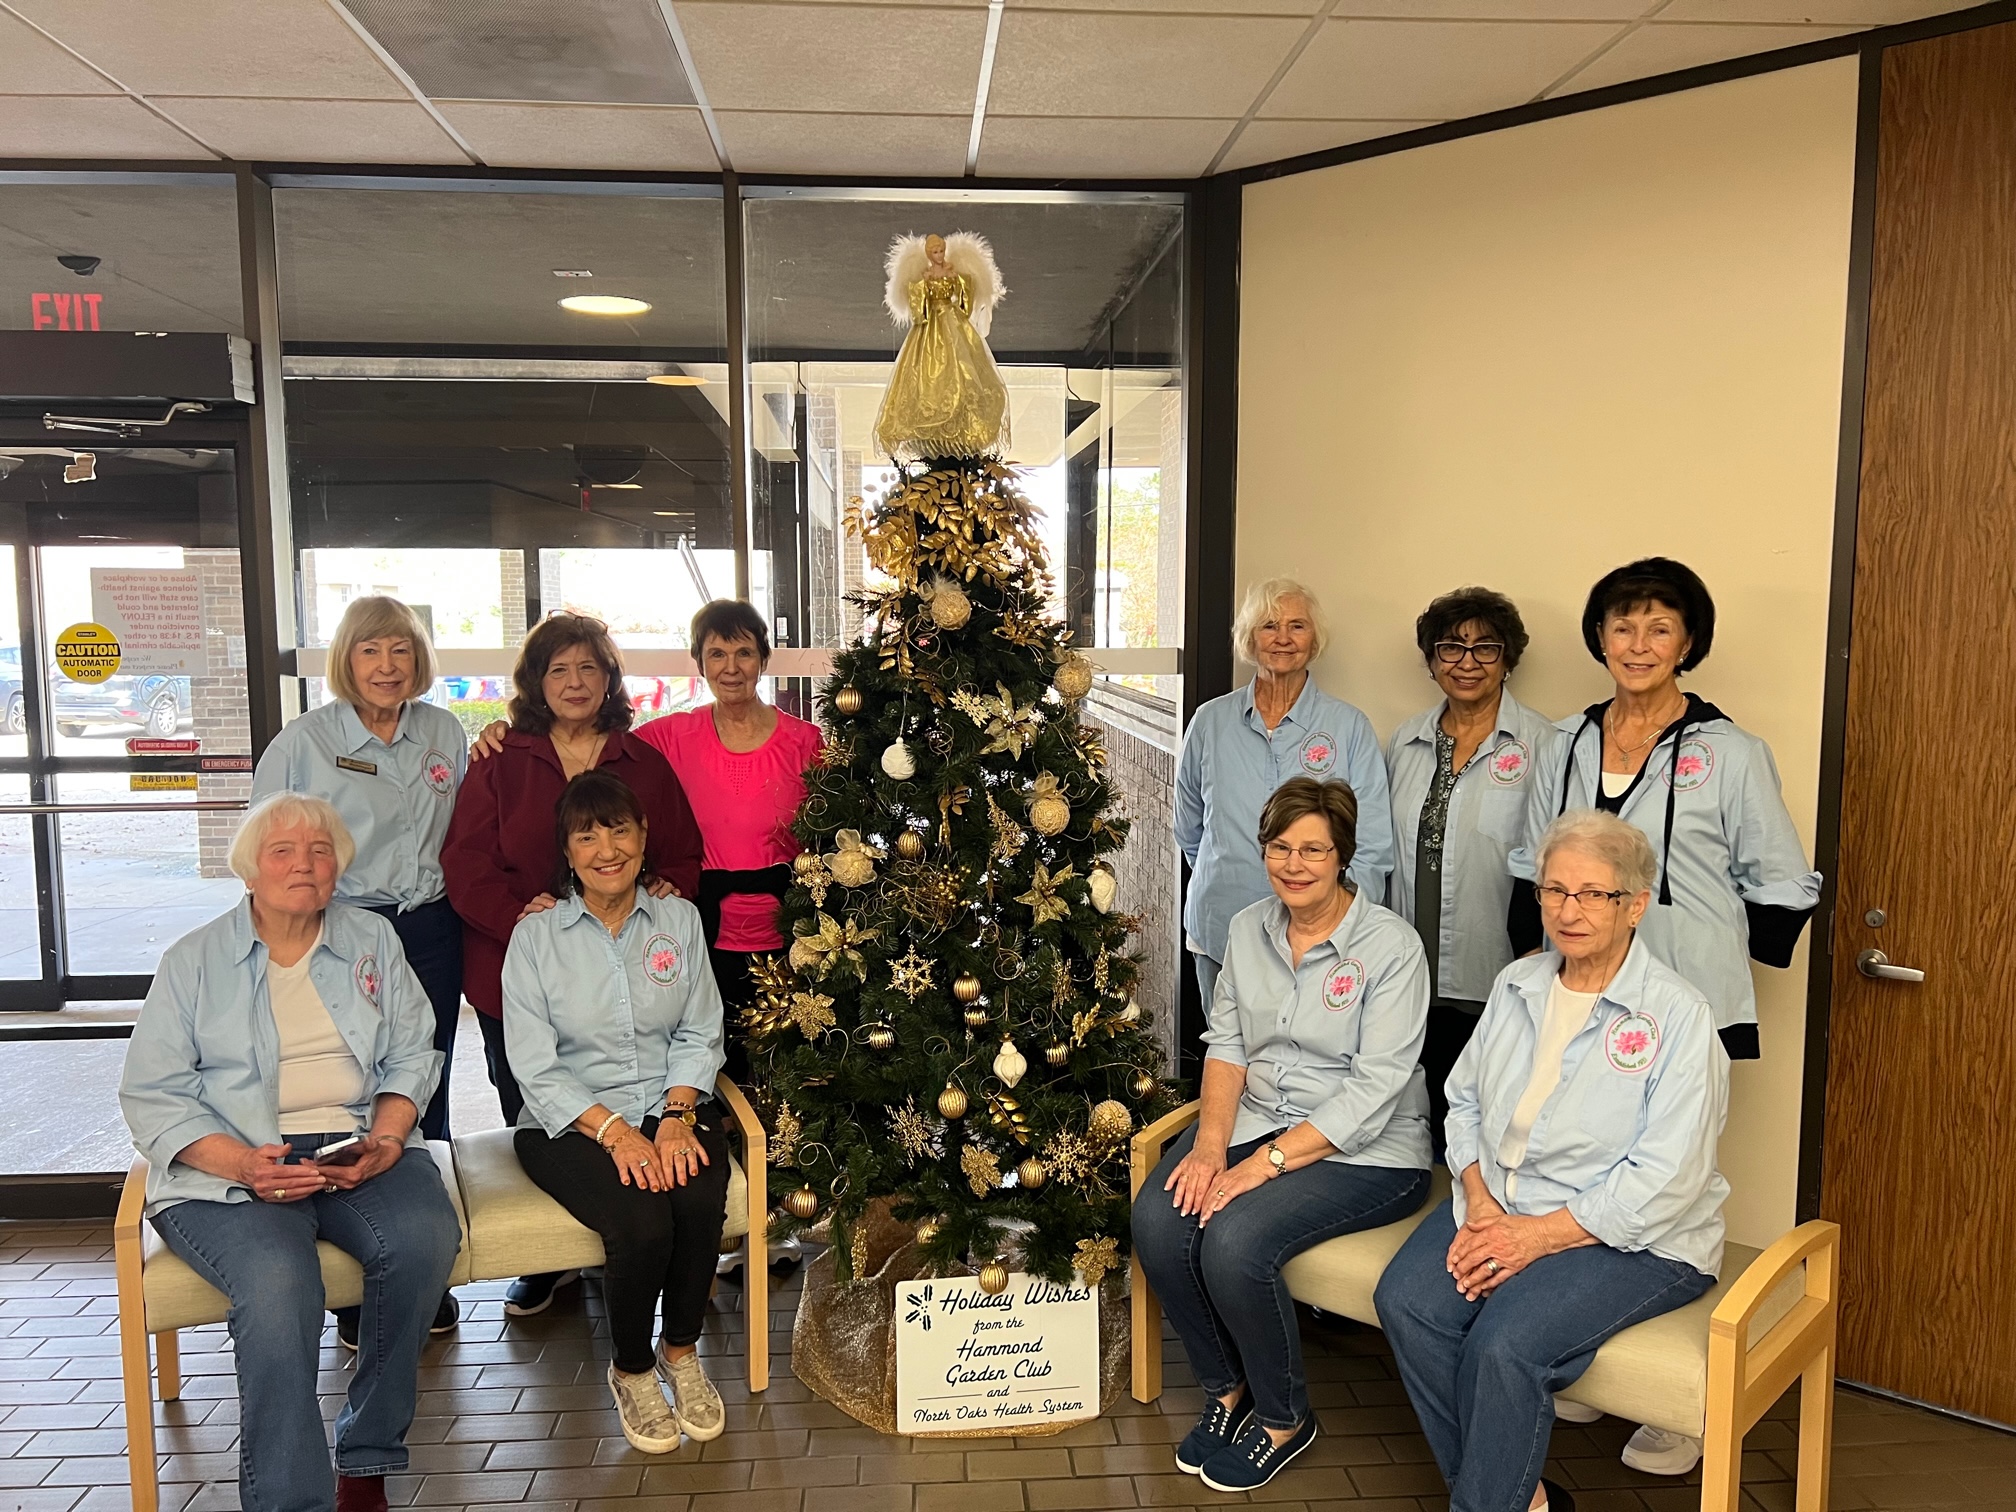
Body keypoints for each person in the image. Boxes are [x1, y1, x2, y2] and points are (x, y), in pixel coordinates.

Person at [1507, 558, 1817, 1473]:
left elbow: (1778, 874)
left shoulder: (1733, 751)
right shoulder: (1566, 741)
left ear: (1688, 642)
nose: (1638, 644)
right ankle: (1586, 1360)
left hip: (1687, 998)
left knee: (1672, 1183)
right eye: (1622, 625)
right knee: (1575, 1165)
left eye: (1659, 627)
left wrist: (1723, 956)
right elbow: (1532, 864)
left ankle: (1677, 1406)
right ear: (1600, 638)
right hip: (1580, 992)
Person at [1378, 810, 1730, 1512]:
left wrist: (1534, 1237)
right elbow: (1463, 1103)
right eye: (1554, 890)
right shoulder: (1519, 984)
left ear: (1635, 905)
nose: (1569, 911)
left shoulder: (1679, 1017)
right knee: (1408, 1303)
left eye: (1593, 894)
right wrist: (1481, 1203)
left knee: (1505, 1345)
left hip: (1637, 1239)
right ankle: (1522, 1499)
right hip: (1500, 1205)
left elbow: (1667, 1177)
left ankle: (1487, 1502)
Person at [119, 794, 461, 1512]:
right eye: (283, 852)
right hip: (230, 1165)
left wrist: (389, 1138)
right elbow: (153, 1093)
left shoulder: (372, 939)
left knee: (423, 1236)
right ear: (250, 869)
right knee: (279, 1282)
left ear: (339, 868)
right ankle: (290, 1500)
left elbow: (413, 1053)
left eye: (320, 851)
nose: (304, 864)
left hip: (355, 1145)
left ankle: (366, 1459)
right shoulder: (193, 961)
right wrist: (242, 1164)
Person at [1134, 776, 1431, 1494]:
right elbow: (1228, 1046)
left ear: (1342, 856)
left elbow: (1374, 1090)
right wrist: (1210, 1147)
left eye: (1313, 850)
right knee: (1158, 1218)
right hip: (1260, 1119)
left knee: (1235, 1238)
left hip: (1372, 1151)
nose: (1295, 865)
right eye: (1280, 847)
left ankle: (1283, 1418)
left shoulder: (1392, 947)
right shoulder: (1247, 930)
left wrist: (1261, 1164)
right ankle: (1227, 1388)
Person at [443, 612, 702, 1317]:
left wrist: (669, 887)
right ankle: (552, 1258)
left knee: (630, 1103)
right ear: (536, 681)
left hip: (626, 970)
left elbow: (681, 852)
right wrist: (519, 920)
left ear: (609, 678)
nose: (575, 681)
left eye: (589, 667)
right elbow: (465, 864)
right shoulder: (499, 759)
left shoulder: (641, 761)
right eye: (558, 669)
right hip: (518, 970)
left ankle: (623, 1242)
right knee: (541, 1113)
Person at [253, 594, 467, 1343]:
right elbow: (263, 847)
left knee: (423, 1089)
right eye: (370, 650)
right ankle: (354, 1289)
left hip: (431, 929)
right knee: (348, 1092)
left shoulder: (443, 732)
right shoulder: (304, 743)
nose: (387, 665)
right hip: (343, 932)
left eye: (401, 650)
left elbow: (468, 823)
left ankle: (423, 1273)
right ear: (346, 659)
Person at [503, 770, 729, 1455]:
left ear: (644, 836)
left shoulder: (678, 920)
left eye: (620, 830)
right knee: (640, 1218)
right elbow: (535, 1065)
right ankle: (631, 1369)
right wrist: (616, 1131)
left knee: (697, 1197)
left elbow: (700, 1028)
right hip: (569, 1121)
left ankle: (680, 1352)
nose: (607, 849)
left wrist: (677, 1115)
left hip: (669, 1103)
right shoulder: (535, 938)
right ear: (566, 852)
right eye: (587, 836)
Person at [1385, 588, 1558, 1161]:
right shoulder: (1406, 743)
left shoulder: (1546, 745)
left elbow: (1556, 861)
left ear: (1508, 659)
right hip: (1410, 972)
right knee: (1415, 1124)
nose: (1467, 662)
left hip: (1496, 969)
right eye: (1450, 648)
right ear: (1431, 660)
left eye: (1486, 648)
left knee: (1489, 1125)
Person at [1175, 577, 1393, 1020]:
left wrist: (1343, 925)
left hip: (1319, 942)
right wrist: (1232, 870)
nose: (1283, 638)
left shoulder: (1349, 727)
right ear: (1249, 637)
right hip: (1220, 929)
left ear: (1314, 639)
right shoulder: (1210, 722)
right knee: (1226, 1054)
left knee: (1308, 1055)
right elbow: (1189, 827)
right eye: (1269, 625)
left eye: (1297, 626)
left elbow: (1371, 841)